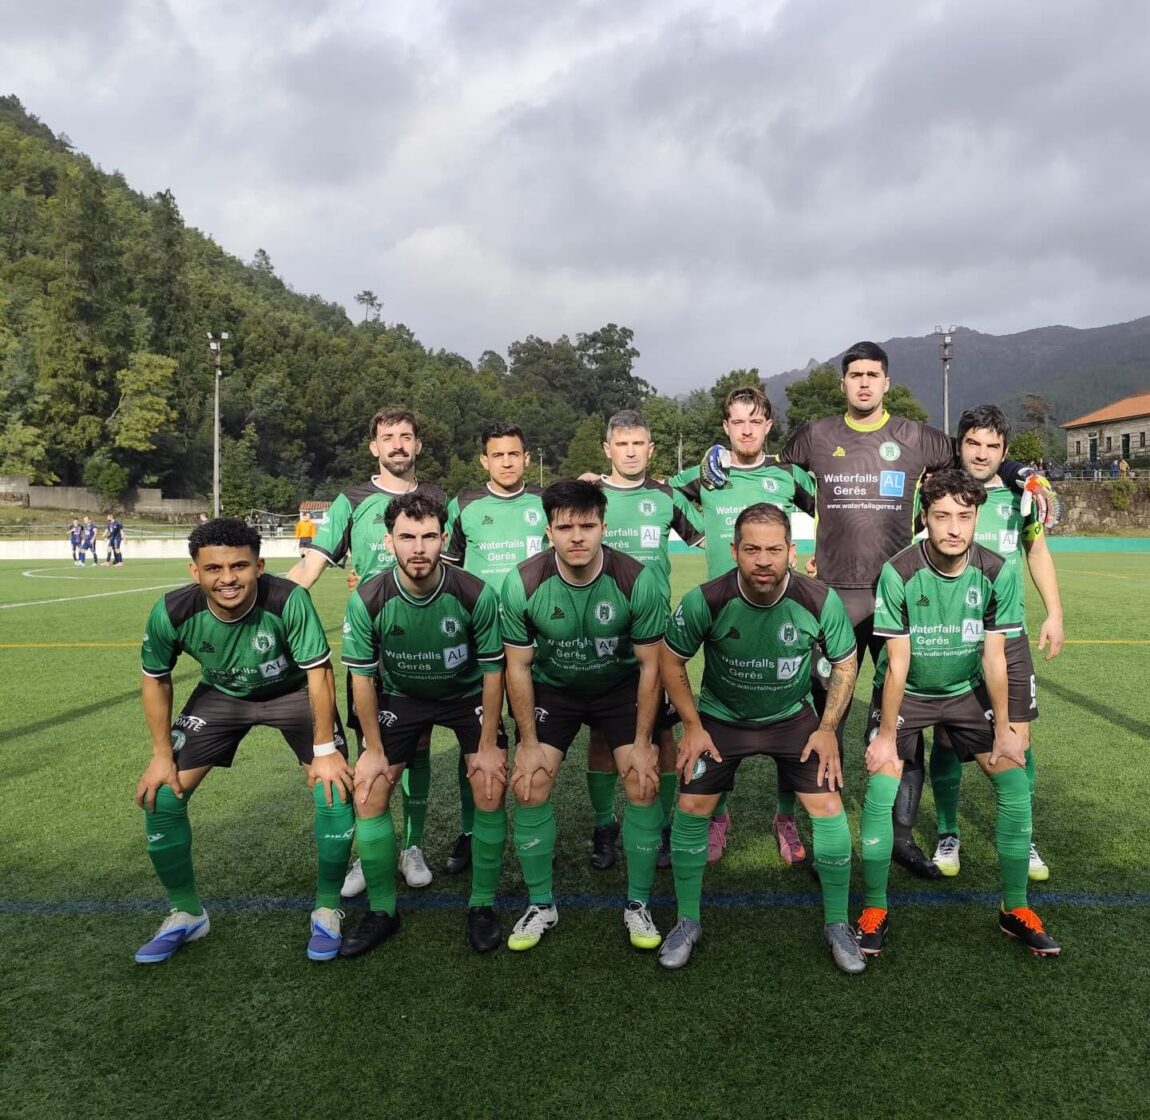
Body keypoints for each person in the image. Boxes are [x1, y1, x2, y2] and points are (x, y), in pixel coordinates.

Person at [777, 340, 1044, 881]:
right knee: (824, 717)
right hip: (835, 598)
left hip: (901, 595)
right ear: (843, 383)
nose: (864, 383)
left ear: (887, 382)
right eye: (855, 374)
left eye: (873, 374)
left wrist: (1019, 472)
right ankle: (826, 834)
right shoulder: (816, 435)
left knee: (906, 718)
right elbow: (774, 471)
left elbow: (975, 457)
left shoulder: (918, 438)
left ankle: (901, 837)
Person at [855, 469, 1059, 958]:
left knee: (1013, 781)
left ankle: (1015, 908)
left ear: (976, 518)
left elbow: (995, 658)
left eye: (964, 517)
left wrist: (1005, 729)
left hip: (966, 691)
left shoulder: (997, 570)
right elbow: (896, 663)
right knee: (882, 783)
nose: (953, 528)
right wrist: (886, 737)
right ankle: (875, 908)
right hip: (908, 693)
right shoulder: (899, 572)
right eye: (942, 516)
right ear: (925, 518)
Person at [133, 518, 354, 963]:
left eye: (239, 566)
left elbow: (319, 673)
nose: (227, 578)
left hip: (292, 694)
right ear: (195, 571)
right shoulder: (172, 610)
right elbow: (155, 679)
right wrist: (160, 755)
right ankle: (187, 914)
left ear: (259, 566)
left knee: (333, 789)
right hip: (222, 696)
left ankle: (328, 908)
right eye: (214, 568)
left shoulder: (288, 599)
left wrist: (325, 751)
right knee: (163, 795)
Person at [658, 504, 863, 973]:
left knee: (828, 806)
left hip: (792, 718)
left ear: (792, 550)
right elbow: (671, 658)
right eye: (752, 549)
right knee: (691, 805)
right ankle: (687, 921)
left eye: (774, 549)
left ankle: (837, 924)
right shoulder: (706, 599)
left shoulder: (820, 600)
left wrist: (828, 728)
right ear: (734, 551)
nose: (764, 560)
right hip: (721, 718)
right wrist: (692, 725)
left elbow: (846, 663)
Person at [500, 479, 667, 951]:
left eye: (587, 526)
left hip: (619, 689)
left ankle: (638, 904)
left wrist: (644, 741)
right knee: (529, 783)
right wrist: (527, 742)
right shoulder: (522, 582)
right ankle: (541, 905)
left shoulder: (637, 579)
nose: (577, 537)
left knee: (642, 781)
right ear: (548, 532)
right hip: (556, 691)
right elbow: (518, 667)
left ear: (603, 528)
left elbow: (651, 666)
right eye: (565, 527)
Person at [339, 493, 509, 956]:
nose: (418, 548)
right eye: (407, 537)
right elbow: (361, 678)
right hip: (403, 697)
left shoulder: (474, 593)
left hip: (465, 695)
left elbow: (494, 672)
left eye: (429, 536)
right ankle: (382, 911)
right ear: (388, 541)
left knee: (490, 783)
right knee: (368, 790)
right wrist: (373, 749)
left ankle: (482, 904)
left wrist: (488, 744)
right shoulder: (368, 598)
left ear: (444, 539)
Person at [286, 408, 446, 894]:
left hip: (426, 641)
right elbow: (308, 570)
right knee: (370, 750)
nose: (398, 444)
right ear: (374, 447)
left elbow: (456, 567)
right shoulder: (350, 501)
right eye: (387, 437)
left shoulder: (440, 499)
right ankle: (366, 851)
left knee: (418, 745)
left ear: (418, 445)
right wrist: (265, 603)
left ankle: (412, 846)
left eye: (406, 436)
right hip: (370, 646)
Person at [672, 385, 816, 866]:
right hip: (722, 613)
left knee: (790, 714)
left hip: (784, 609)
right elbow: (659, 491)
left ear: (768, 426)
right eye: (737, 421)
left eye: (755, 421)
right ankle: (718, 816)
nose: (747, 429)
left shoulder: (788, 474)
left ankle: (785, 815)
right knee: (719, 711)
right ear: (726, 428)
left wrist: (818, 551)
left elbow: (832, 509)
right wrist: (696, 533)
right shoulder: (708, 473)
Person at [930, 406, 1064, 881]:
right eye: (973, 443)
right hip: (950, 636)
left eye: (992, 446)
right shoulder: (938, 490)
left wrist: (1054, 613)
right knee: (946, 736)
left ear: (1004, 451)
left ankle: (1022, 836)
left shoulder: (1020, 495)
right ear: (959, 444)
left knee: (1019, 739)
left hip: (1007, 635)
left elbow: (1037, 551)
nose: (982, 454)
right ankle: (948, 832)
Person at [579, 409, 705, 873]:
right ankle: (604, 825)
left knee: (663, 733)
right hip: (601, 633)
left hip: (657, 634)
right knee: (601, 732)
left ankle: (666, 825)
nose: (630, 452)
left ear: (651, 450)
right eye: (622, 444)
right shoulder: (590, 497)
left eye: (638, 444)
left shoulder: (666, 496)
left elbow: (710, 538)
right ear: (607, 449)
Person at [440, 421, 545, 876]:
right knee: (475, 739)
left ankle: (535, 829)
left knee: (535, 738)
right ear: (484, 460)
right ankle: (471, 831)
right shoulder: (462, 505)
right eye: (497, 455)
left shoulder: (545, 502)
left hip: (535, 639)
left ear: (527, 458)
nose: (506, 462)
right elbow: (446, 569)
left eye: (514, 454)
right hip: (477, 642)